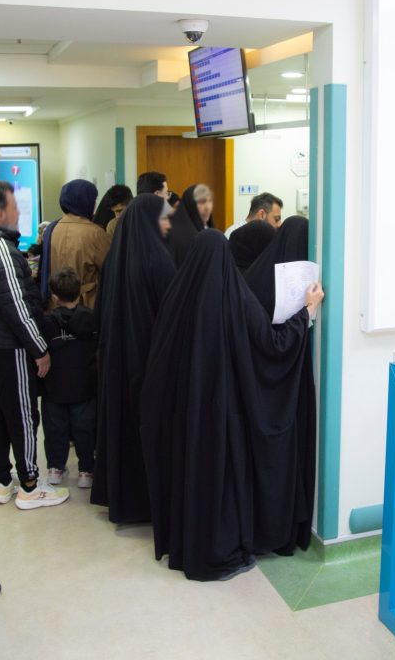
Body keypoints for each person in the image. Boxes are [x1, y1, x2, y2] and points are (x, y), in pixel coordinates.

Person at [140, 230, 324, 581]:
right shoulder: (235, 297)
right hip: (223, 412)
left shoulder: (177, 295)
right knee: (219, 476)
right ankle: (218, 542)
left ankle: (189, 540)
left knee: (192, 473)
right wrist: (307, 311)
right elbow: (274, 345)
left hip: (184, 414)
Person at [0, 179, 69, 510]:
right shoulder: (0, 249)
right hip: (8, 345)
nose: (19, 212)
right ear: (0, 213)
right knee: (22, 415)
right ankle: (30, 486)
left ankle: (2, 482)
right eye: (15, 206)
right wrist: (39, 349)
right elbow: (17, 307)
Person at [91, 194, 175, 524]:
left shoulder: (115, 259)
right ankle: (147, 503)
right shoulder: (160, 260)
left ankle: (119, 498)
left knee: (119, 425)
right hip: (149, 359)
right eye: (164, 219)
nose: (168, 225)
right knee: (147, 428)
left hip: (116, 357)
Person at [244, 215, 316, 553]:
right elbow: (276, 345)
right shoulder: (283, 285)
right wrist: (307, 312)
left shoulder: (252, 279)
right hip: (280, 391)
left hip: (253, 391)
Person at [40, 267, 97, 489]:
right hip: (84, 385)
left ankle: (55, 468)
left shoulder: (46, 322)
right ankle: (86, 471)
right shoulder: (90, 318)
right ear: (80, 292)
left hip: (54, 386)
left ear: (54, 296)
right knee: (85, 428)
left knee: (55, 428)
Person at [40, 179, 110, 309]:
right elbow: (111, 270)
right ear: (87, 202)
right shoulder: (95, 233)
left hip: (56, 304)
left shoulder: (51, 229)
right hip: (85, 305)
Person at [166, 184, 214, 266]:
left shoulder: (207, 229)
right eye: (202, 202)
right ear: (191, 204)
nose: (208, 207)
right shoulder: (180, 237)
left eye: (210, 201)